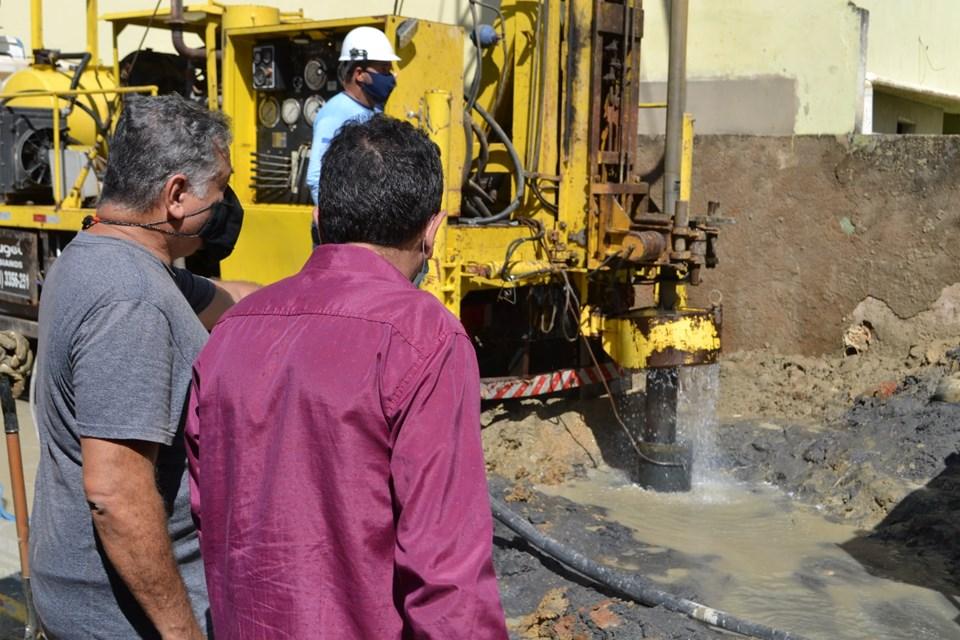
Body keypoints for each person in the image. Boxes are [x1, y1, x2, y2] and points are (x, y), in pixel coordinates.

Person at [186, 115, 508, 639]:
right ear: (433, 229)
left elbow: (211, 511)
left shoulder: (230, 331)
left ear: (317, 217)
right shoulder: (425, 338)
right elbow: (448, 573)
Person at [30, 93, 256, 639]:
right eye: (221, 188)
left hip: (83, 596)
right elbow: (114, 493)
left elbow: (228, 298)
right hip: (121, 619)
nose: (226, 205)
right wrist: (181, 632)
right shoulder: (132, 302)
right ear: (176, 195)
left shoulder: (97, 254)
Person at [304, 26, 399, 242]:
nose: (391, 77)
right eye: (384, 70)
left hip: (366, 228)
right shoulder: (334, 113)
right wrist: (340, 226)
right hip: (344, 232)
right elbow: (316, 175)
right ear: (359, 74)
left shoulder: (374, 111)